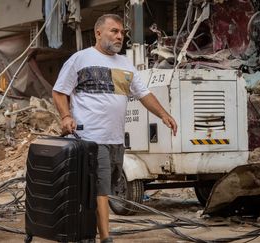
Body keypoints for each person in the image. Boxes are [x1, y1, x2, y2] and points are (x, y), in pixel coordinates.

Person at [52, 14, 177, 243]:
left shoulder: (125, 64)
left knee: (104, 188)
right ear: (98, 33)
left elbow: (144, 95)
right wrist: (66, 116)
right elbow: (59, 91)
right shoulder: (80, 59)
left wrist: (164, 115)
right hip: (89, 138)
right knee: (101, 190)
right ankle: (106, 238)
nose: (120, 36)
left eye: (122, 32)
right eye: (114, 31)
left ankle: (86, 232)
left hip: (116, 140)